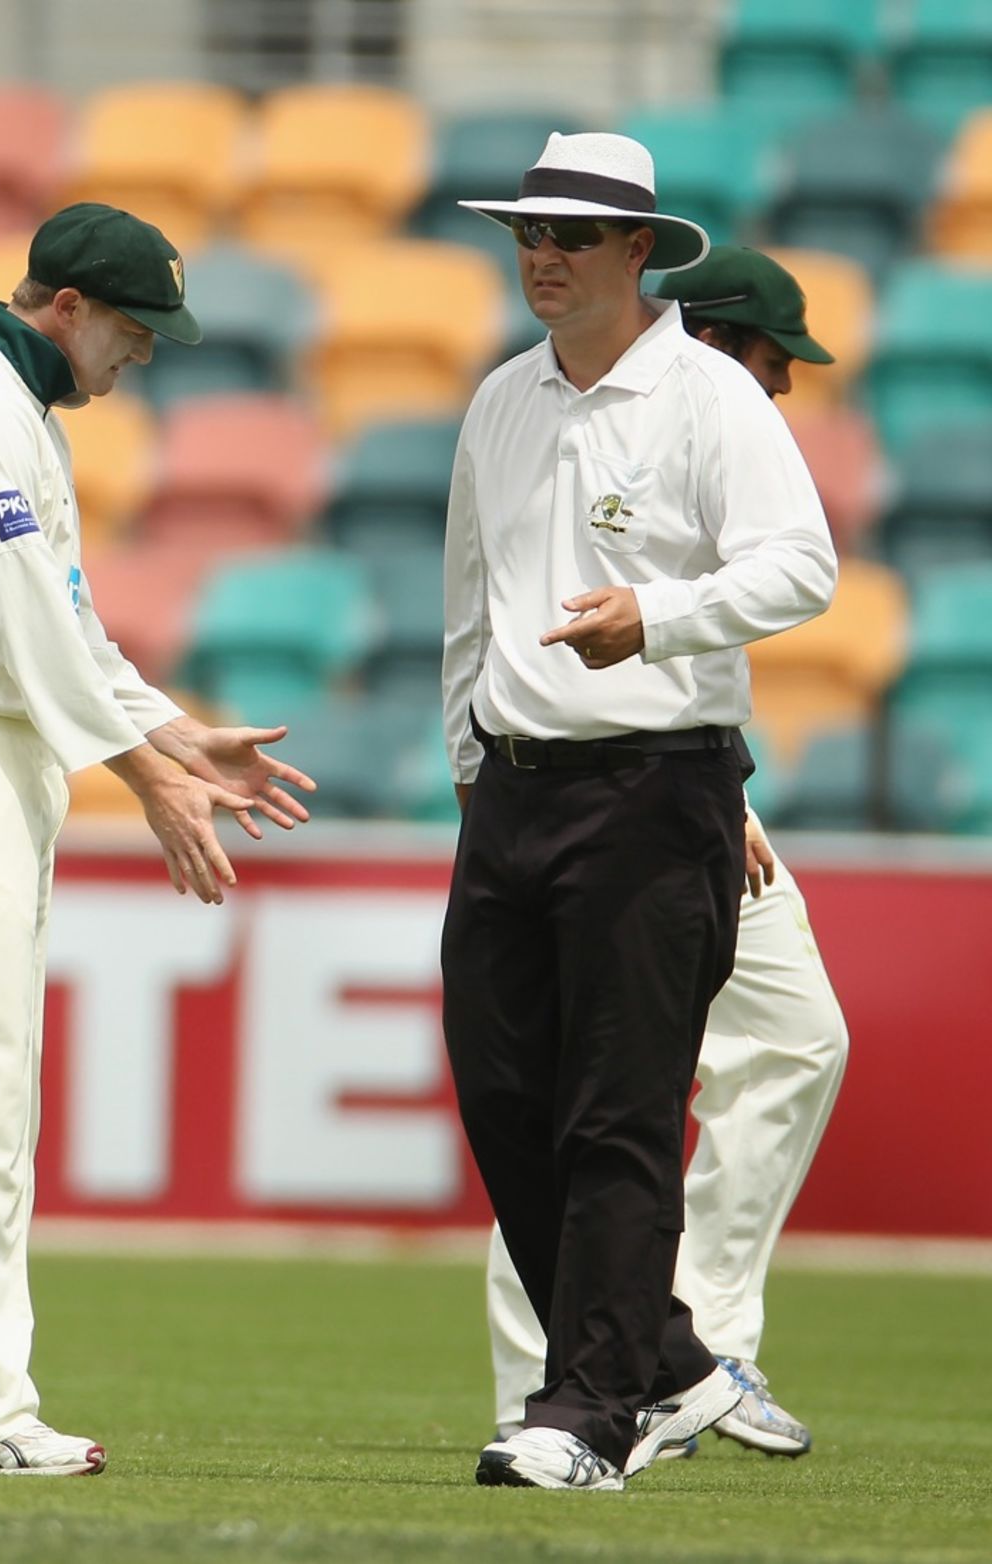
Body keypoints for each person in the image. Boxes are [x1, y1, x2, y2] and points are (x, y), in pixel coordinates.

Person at [0, 203, 316, 1477]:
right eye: (132, 329)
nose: (143, 355)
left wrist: (180, 736)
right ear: (65, 308)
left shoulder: (17, 414)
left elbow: (73, 630)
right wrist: (144, 780)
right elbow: (26, 629)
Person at [441, 134, 838, 1492]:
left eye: (566, 236)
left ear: (636, 252)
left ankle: (587, 1417)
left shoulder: (714, 401)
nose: (540, 256)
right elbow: (469, 599)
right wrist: (466, 767)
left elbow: (802, 567)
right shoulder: (500, 399)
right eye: (525, 235)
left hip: (655, 786)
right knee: (503, 1099)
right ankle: (665, 1363)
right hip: (515, 789)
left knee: (617, 1114)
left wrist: (659, 620)